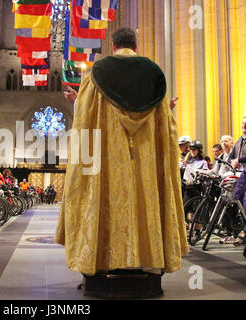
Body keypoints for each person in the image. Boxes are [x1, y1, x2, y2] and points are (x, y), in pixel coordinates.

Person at [55, 28, 188, 279]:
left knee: (105, 199)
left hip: (106, 162)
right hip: (145, 161)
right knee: (143, 198)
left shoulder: (96, 74)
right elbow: (168, 128)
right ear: (135, 46)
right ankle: (150, 260)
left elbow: (84, 119)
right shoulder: (154, 74)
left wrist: (82, 166)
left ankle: (102, 260)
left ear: (113, 46)